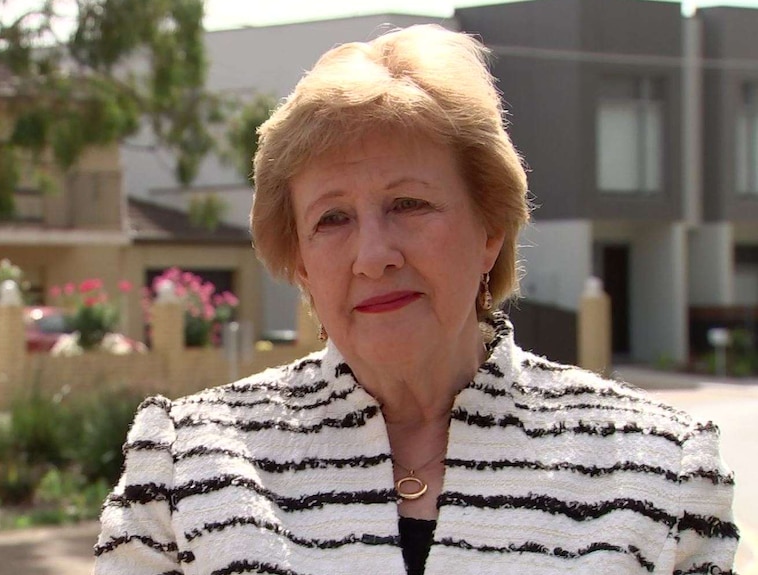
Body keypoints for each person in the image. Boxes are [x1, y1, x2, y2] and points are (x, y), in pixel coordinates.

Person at [93, 25, 738, 575]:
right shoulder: (184, 464)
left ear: (490, 231)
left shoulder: (661, 471)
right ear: (300, 262)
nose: (374, 255)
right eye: (332, 219)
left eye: (409, 204)